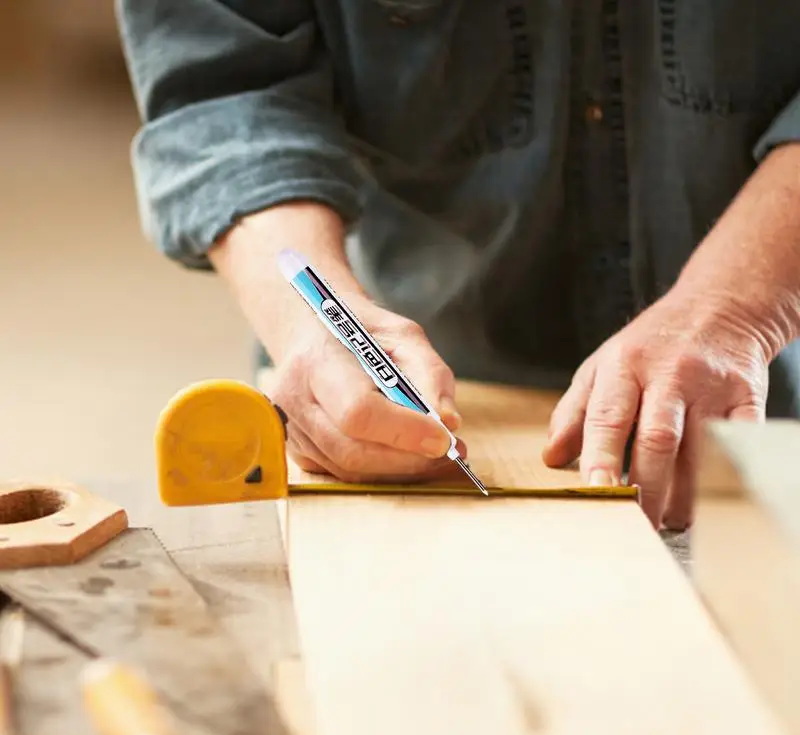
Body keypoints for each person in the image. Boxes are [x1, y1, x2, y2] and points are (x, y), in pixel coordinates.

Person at [116, 1, 800, 531]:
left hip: (772, 405)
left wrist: (739, 305)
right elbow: (226, 87)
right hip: (421, 397)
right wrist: (309, 322)